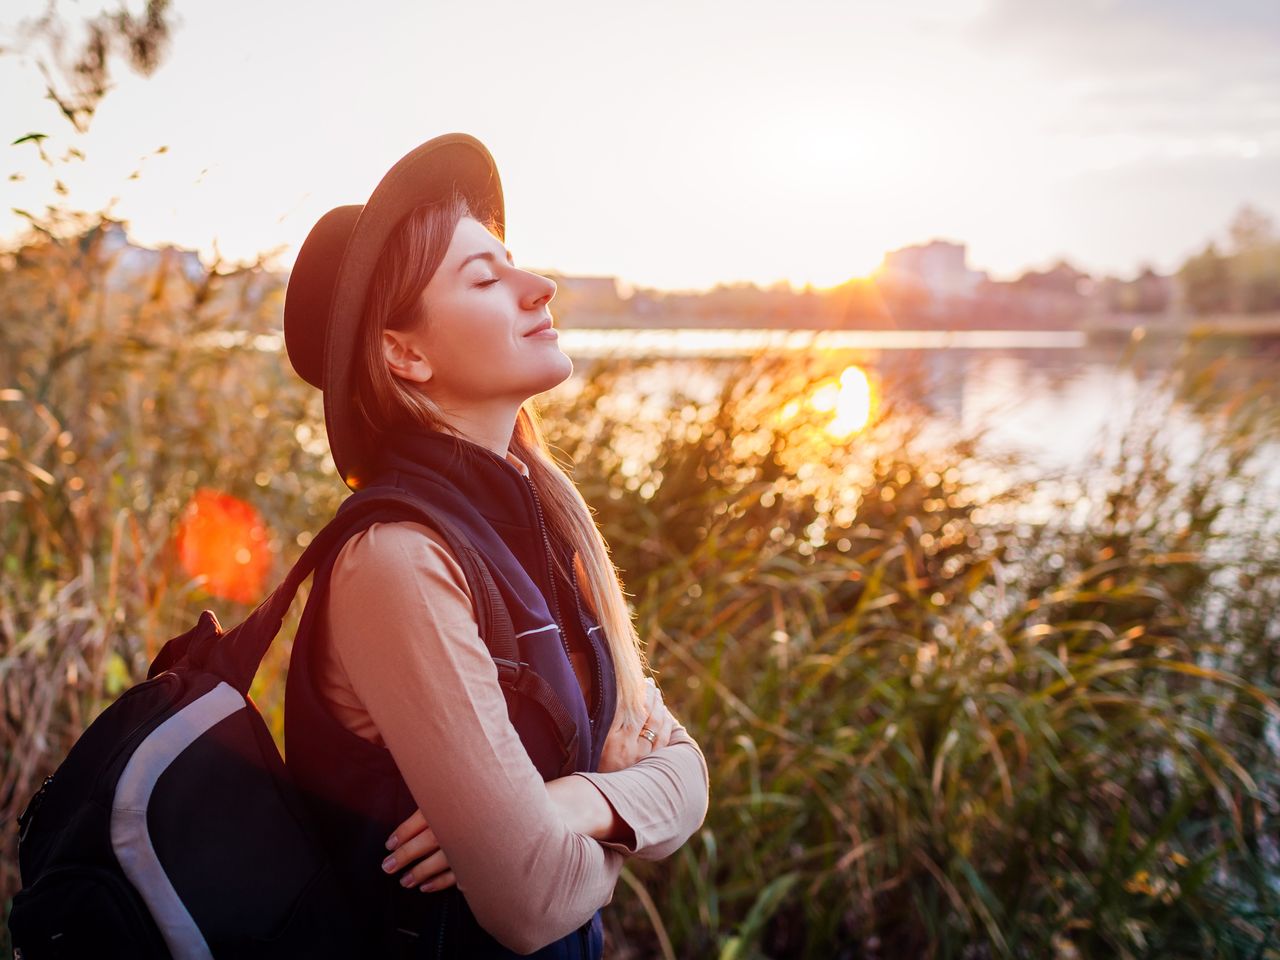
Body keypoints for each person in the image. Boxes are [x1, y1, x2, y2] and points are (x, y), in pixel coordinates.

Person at [280, 132, 710, 958]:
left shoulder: (542, 527)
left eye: (513, 261)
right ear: (404, 353)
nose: (541, 286)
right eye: (484, 277)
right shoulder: (399, 561)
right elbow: (535, 899)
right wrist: (610, 810)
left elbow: (688, 776)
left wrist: (567, 805)